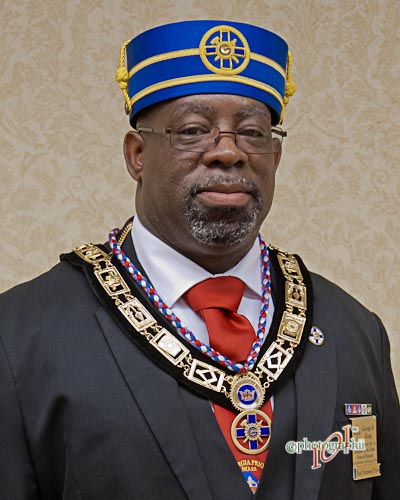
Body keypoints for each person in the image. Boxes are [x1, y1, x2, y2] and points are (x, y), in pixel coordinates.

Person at [0, 19, 399, 500]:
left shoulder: (355, 331)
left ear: (274, 157)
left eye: (251, 132)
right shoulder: (18, 337)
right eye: (192, 131)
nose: (228, 152)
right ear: (137, 154)